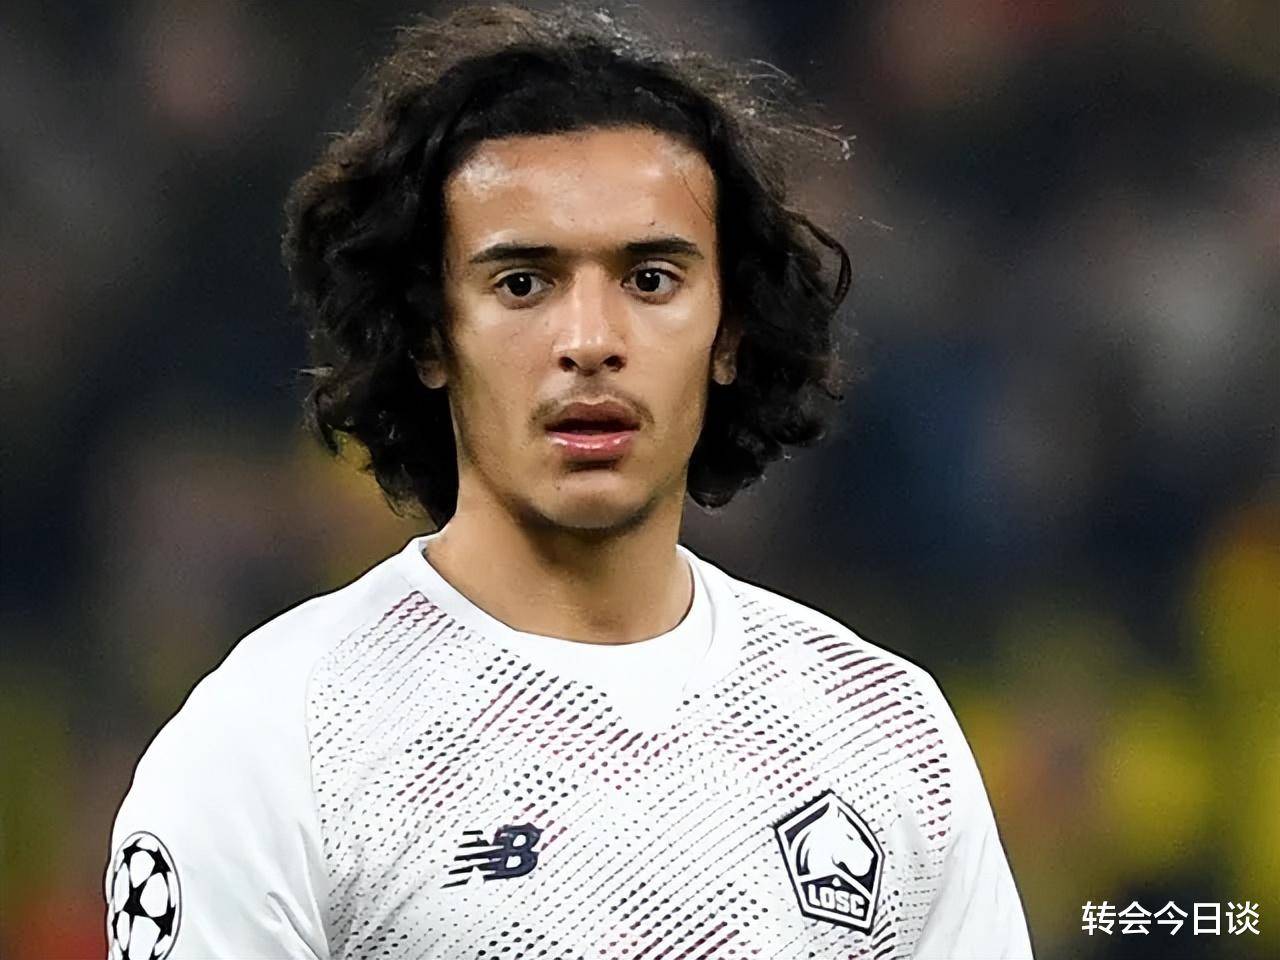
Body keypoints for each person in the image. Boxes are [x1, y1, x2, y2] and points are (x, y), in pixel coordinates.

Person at [104, 5, 1033, 958]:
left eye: (651, 279)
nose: (590, 342)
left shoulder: (886, 734)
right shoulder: (273, 741)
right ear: (429, 335)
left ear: (730, 333)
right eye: (523, 283)